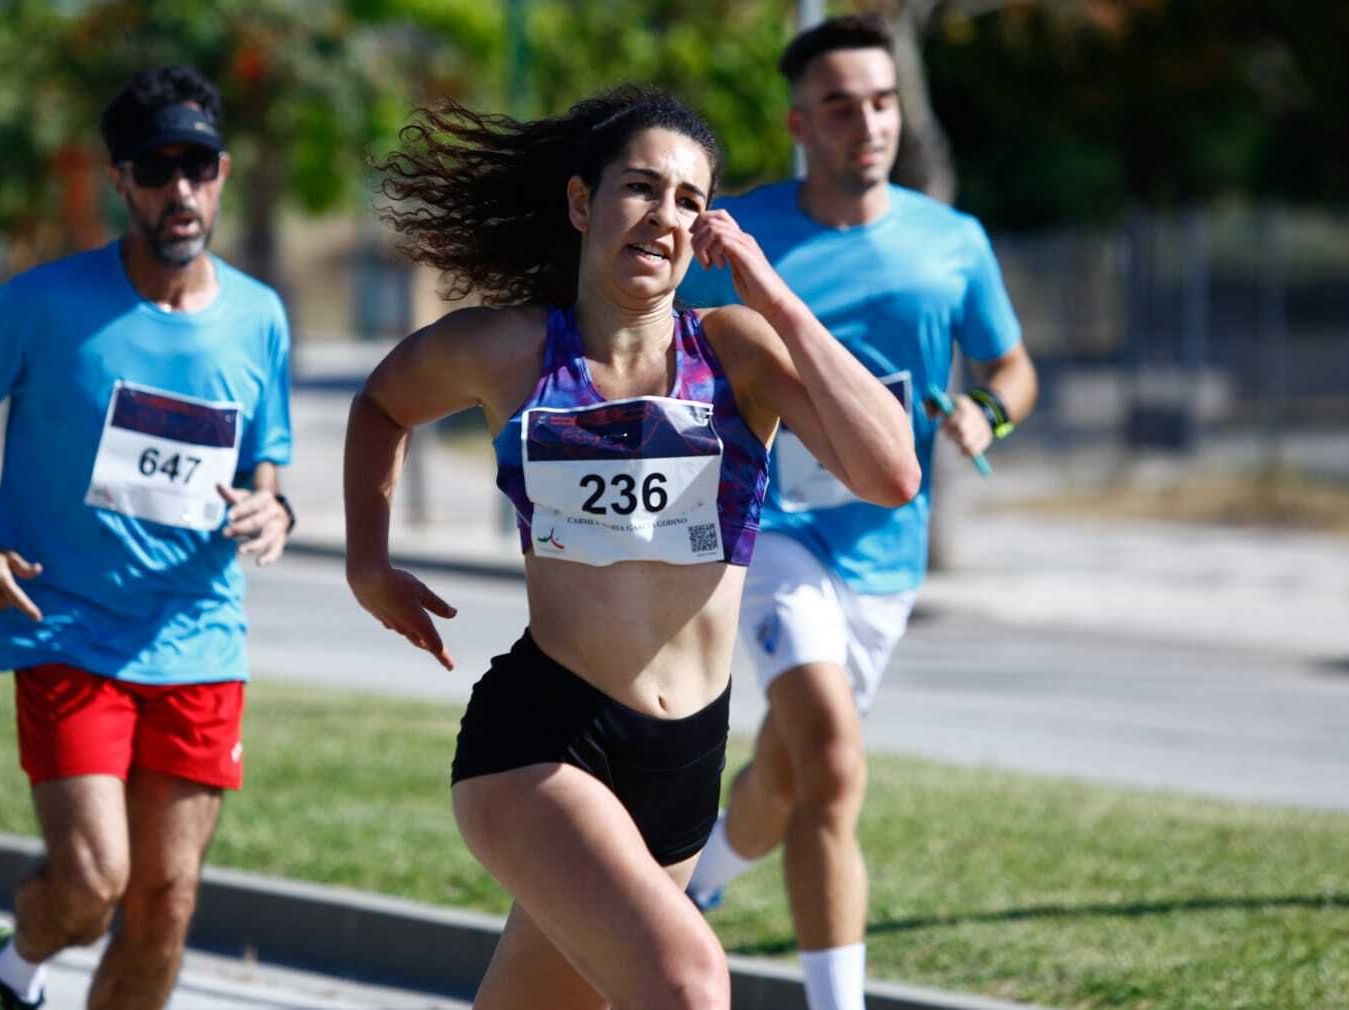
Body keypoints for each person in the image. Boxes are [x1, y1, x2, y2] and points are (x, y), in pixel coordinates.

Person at [343, 84, 920, 1010]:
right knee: (688, 982)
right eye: (642, 188)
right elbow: (381, 405)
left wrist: (773, 296)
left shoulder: (736, 351)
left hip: (682, 765)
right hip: (543, 741)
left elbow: (891, 472)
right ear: (583, 203)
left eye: (690, 200)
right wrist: (369, 566)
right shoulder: (510, 350)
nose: (665, 216)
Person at [0, 66, 295, 1010]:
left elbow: (264, 461)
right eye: (156, 169)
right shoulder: (45, 305)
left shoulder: (259, 316)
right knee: (92, 884)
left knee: (166, 903)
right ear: (121, 182)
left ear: (223, 174)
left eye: (197, 167)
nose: (180, 190)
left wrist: (272, 508)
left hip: (198, 633)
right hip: (64, 623)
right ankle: (12, 967)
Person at [676, 14, 1039, 1010]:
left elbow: (1012, 366)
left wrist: (987, 411)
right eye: (840, 107)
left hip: (886, 547)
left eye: (882, 102)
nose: (868, 123)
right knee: (833, 757)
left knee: (790, 771)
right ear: (800, 124)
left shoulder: (950, 242)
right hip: (768, 527)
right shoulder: (737, 236)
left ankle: (700, 880)